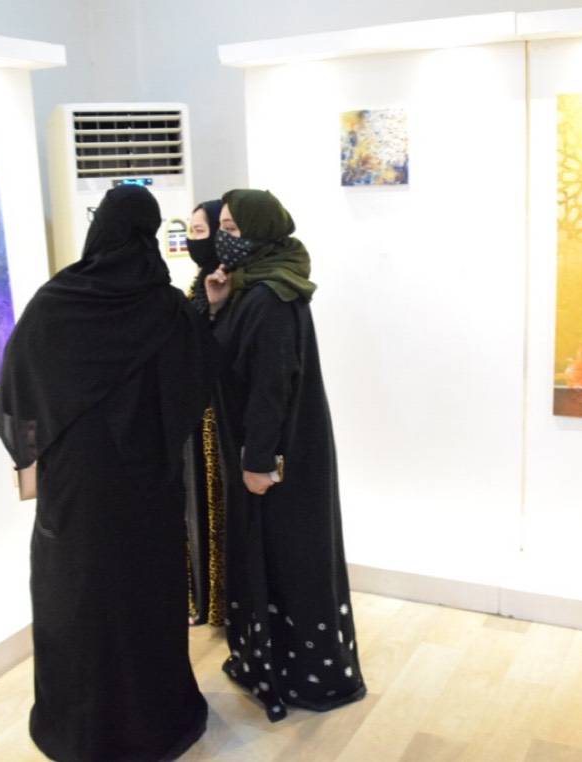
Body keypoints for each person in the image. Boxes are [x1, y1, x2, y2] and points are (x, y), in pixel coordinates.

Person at [0, 185, 216, 761]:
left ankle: (77, 727)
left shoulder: (55, 302)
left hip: (76, 491)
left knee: (77, 596)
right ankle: (153, 723)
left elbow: (17, 392)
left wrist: (33, 458)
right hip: (145, 490)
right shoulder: (167, 309)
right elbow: (195, 390)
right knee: (143, 596)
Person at [203, 189, 366, 721]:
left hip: (279, 458)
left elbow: (270, 387)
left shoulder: (271, 296)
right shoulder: (254, 287)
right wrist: (216, 305)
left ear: (259, 230)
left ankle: (307, 676)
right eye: (221, 226)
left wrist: (258, 462)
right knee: (269, 554)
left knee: (288, 556)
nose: (223, 237)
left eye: (232, 227)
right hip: (270, 450)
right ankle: (269, 663)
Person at [185, 199, 227, 626]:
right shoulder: (197, 285)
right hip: (194, 419)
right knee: (198, 505)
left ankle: (225, 600)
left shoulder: (238, 287)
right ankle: (204, 597)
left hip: (224, 419)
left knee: (221, 506)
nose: (193, 239)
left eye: (201, 231)